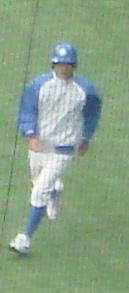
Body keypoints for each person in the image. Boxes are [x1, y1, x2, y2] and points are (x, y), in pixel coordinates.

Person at [10, 43, 102, 255]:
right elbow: (27, 109)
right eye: (60, 64)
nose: (63, 68)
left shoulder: (85, 90)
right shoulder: (38, 85)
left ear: (74, 65)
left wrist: (85, 138)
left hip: (63, 148)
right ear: (53, 64)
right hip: (40, 145)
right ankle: (55, 190)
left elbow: (92, 114)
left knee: (39, 190)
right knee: (37, 181)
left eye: (67, 64)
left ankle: (25, 237)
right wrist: (30, 133)